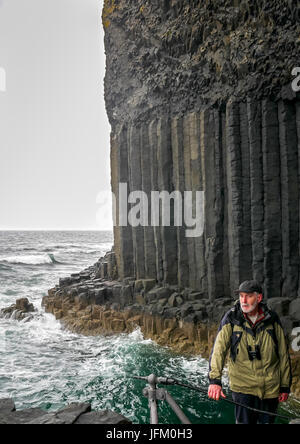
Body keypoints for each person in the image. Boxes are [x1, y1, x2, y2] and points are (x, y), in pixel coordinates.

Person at [208, 280, 292, 424]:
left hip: (270, 389)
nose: (243, 300)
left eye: (248, 296)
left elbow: (283, 354)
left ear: (258, 298)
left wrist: (285, 386)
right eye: (241, 296)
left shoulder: (272, 319)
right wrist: (215, 381)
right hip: (243, 388)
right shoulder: (231, 318)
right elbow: (218, 350)